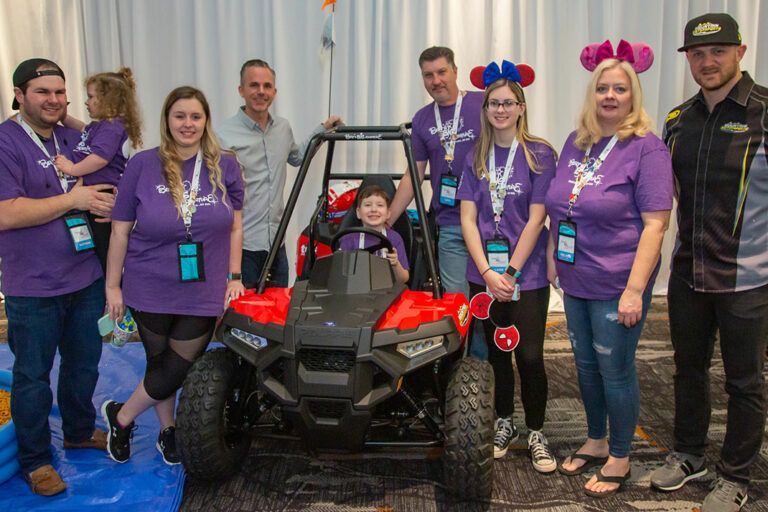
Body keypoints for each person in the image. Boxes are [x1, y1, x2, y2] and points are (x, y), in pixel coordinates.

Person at [649, 13, 768, 512]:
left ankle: (736, 474)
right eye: (698, 54)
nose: (707, 61)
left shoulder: (765, 111)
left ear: (740, 52)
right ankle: (689, 454)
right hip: (688, 273)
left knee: (744, 381)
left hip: (748, 278)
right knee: (687, 369)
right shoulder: (678, 120)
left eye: (718, 50)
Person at [544, 41, 673, 497]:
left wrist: (636, 290)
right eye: (603, 88)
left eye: (620, 88)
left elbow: (656, 225)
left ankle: (620, 455)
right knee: (583, 366)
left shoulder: (647, 149)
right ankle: (596, 440)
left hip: (618, 281)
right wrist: (551, 259)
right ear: (592, 94)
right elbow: (559, 206)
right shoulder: (576, 142)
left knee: (614, 368)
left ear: (633, 95)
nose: (610, 96)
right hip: (576, 276)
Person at [101, 86, 245, 466]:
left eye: (195, 116)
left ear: (206, 121)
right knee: (159, 362)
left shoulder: (225, 164)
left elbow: (235, 226)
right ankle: (167, 431)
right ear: (167, 120)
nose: (188, 124)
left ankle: (121, 416)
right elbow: (119, 230)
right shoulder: (142, 164)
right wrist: (112, 285)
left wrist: (234, 275)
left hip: (203, 286)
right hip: (148, 283)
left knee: (178, 366)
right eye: (179, 116)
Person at [0, 58, 116, 496]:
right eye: (42, 91)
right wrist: (75, 199)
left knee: (84, 363)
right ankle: (36, 461)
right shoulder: (5, 143)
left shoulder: (74, 137)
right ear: (19, 95)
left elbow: (106, 166)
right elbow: (6, 213)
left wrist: (106, 199)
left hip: (84, 277)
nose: (53, 99)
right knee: (32, 375)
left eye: (59, 92)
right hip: (32, 287)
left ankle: (79, 429)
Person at [457, 60, 557, 472]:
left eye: (508, 103)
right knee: (498, 354)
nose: (500, 109)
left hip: (526, 275)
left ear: (521, 107)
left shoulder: (539, 153)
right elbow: (467, 218)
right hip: (484, 274)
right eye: (493, 103)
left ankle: (536, 430)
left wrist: (510, 273)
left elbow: (537, 219)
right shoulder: (474, 155)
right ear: (485, 109)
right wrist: (486, 274)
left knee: (530, 356)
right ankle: (504, 422)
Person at [389, 46, 486, 358]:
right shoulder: (421, 119)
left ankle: (490, 371)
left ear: (455, 71)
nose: (436, 80)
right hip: (451, 226)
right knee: (458, 305)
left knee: (491, 303)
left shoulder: (483, 104)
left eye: (442, 72)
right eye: (428, 75)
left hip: (489, 225)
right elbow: (413, 175)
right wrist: (386, 220)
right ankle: (462, 371)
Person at [217, 59, 341, 289]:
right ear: (241, 90)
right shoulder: (223, 135)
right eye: (254, 85)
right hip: (241, 248)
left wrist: (323, 129)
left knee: (276, 318)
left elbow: (297, 158)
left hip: (276, 245)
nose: (261, 92)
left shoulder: (282, 128)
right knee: (241, 319)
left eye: (267, 86)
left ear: (274, 91)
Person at [54, 67, 143, 272]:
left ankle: (112, 281)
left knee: (105, 245)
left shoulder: (112, 127)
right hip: (91, 193)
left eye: (91, 97)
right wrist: (64, 117)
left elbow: (99, 159)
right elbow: (82, 128)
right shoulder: (100, 126)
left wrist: (73, 169)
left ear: (108, 100)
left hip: (102, 194)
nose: (86, 102)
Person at [338, 185, 410, 284]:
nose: (373, 210)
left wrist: (395, 264)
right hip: (355, 290)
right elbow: (340, 276)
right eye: (367, 205)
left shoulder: (394, 238)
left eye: (380, 205)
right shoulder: (349, 239)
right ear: (358, 213)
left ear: (388, 213)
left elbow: (403, 279)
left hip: (388, 292)